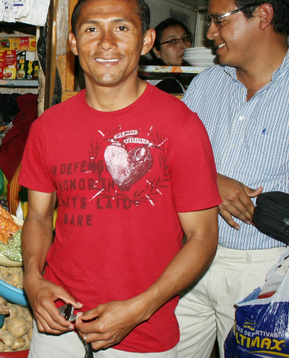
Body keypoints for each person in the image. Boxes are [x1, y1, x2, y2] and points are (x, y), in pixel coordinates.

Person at [18, 0, 222, 356]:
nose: (106, 42)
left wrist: (141, 307)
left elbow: (202, 236)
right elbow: (37, 216)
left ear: (146, 41)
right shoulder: (47, 128)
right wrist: (33, 280)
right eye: (92, 29)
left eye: (122, 28)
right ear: (72, 42)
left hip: (142, 330)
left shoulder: (181, 125)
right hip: (57, 326)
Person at [175, 0, 289, 357]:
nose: (209, 34)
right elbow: (167, 159)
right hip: (189, 256)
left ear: (263, 16)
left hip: (266, 271)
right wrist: (208, 179)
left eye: (218, 20)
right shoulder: (206, 85)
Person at [144, 18, 193, 93]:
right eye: (172, 41)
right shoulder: (168, 85)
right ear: (157, 51)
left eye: (185, 38)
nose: (183, 45)